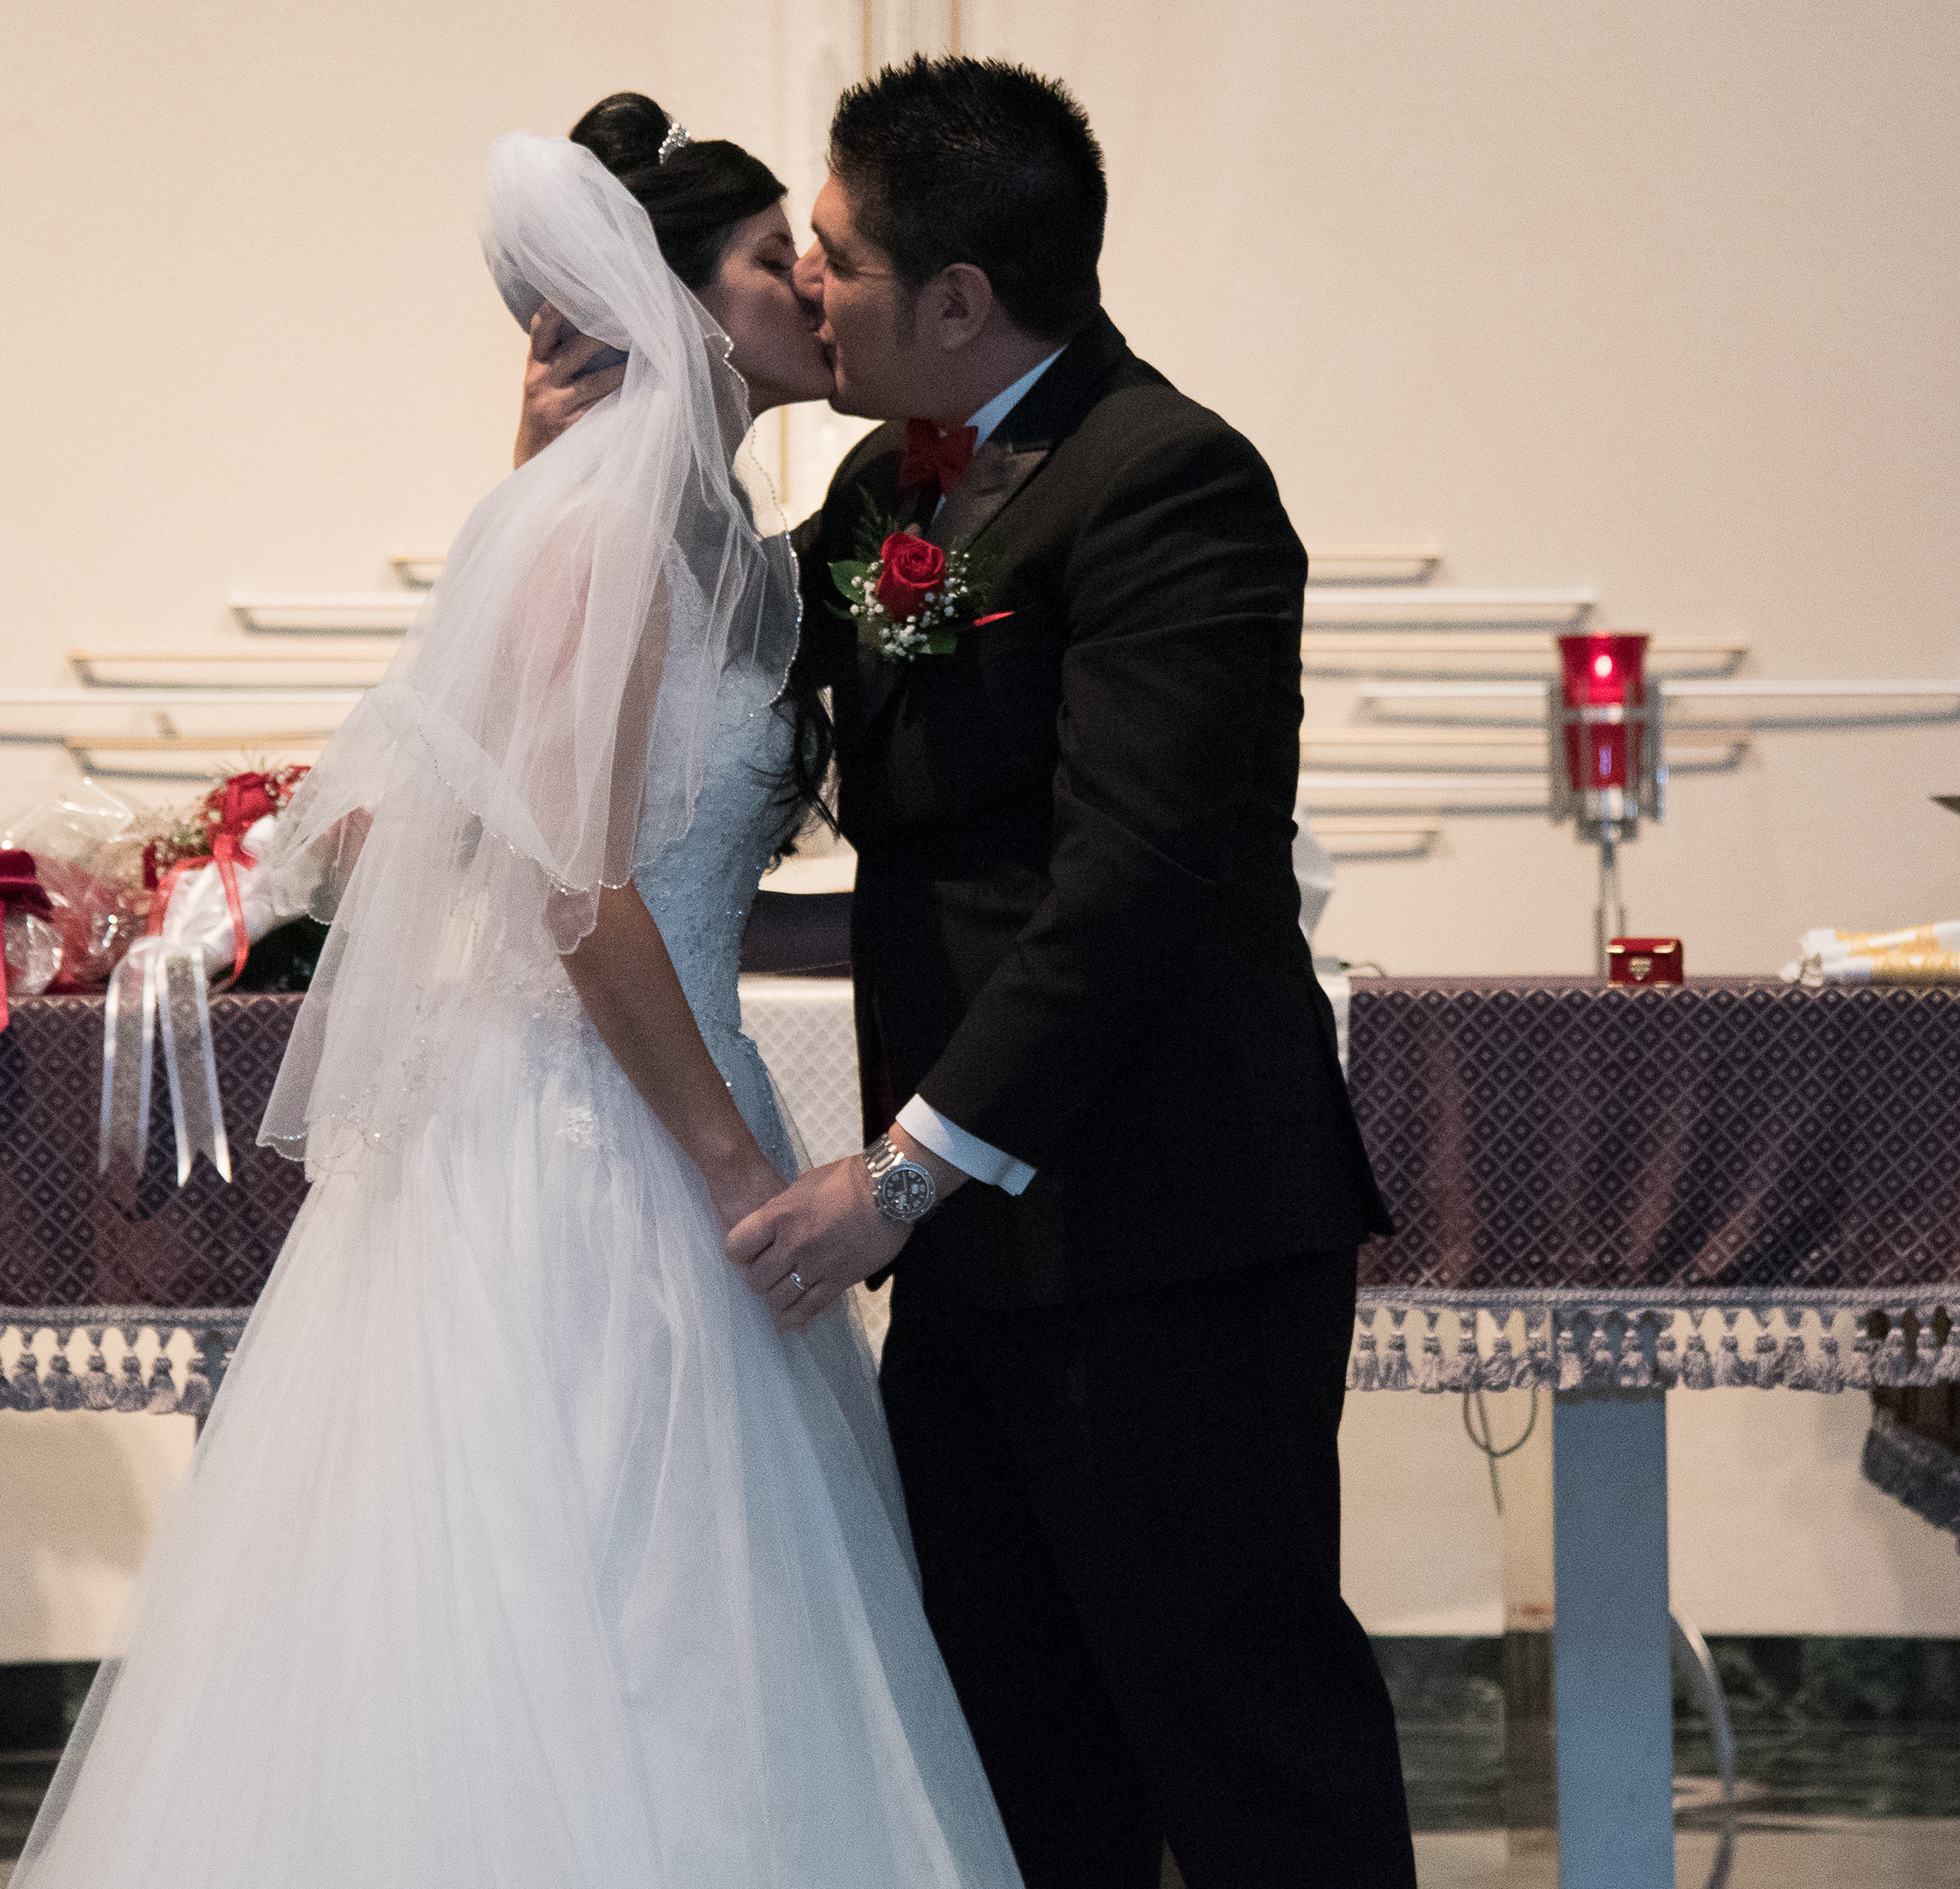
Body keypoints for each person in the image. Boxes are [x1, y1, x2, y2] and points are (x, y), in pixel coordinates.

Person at [15, 101, 1021, 1888]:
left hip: (671, 1088)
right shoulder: (609, 529)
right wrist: (731, 1166)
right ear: (673, 297)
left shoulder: (731, 535)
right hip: (590, 1142)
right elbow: (573, 884)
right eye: (769, 252)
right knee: (585, 1613)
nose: (809, 278)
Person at [528, 55, 1413, 1889]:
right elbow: (665, 645)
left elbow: (1128, 890)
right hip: (964, 1250)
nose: (808, 283)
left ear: (957, 298)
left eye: (834, 256)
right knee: (1013, 1760)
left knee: (1244, 1742)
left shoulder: (1169, 482)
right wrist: (565, 458)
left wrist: (898, 1176)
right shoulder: (882, 486)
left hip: (1165, 1229)